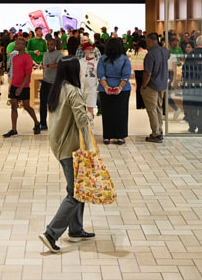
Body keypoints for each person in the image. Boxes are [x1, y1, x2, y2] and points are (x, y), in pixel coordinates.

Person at [38, 56, 95, 253]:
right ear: (73, 71)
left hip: (59, 145)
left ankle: (76, 229)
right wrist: (90, 148)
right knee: (76, 193)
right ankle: (51, 233)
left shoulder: (57, 89)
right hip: (72, 149)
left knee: (79, 187)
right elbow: (82, 121)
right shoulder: (73, 92)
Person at [96, 37, 131, 145]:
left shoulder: (102, 59)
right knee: (121, 113)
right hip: (123, 89)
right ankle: (120, 137)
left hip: (104, 89)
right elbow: (126, 76)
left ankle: (107, 137)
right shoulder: (124, 59)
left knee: (107, 113)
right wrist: (119, 87)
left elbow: (100, 75)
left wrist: (106, 87)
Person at [4, 35, 40, 137]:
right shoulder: (14, 58)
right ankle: (13, 129)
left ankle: (37, 122)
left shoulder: (27, 58)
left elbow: (28, 74)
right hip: (14, 85)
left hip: (24, 87)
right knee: (13, 106)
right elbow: (14, 72)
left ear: (23, 45)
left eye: (17, 43)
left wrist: (20, 87)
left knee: (26, 106)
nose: (15, 45)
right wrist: (11, 85)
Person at [141, 32, 170, 143]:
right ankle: (160, 130)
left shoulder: (150, 55)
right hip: (162, 84)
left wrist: (143, 86)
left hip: (152, 85)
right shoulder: (165, 51)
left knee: (152, 109)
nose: (147, 44)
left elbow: (147, 73)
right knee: (159, 108)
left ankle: (155, 134)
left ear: (150, 41)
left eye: (147, 41)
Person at [40, 36, 62, 131]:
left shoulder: (59, 54)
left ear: (55, 45)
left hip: (54, 83)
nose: (49, 46)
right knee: (43, 103)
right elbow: (44, 66)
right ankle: (43, 123)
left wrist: (47, 66)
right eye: (48, 44)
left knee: (53, 104)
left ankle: (55, 123)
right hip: (45, 81)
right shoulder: (45, 54)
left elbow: (58, 65)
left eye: (51, 44)